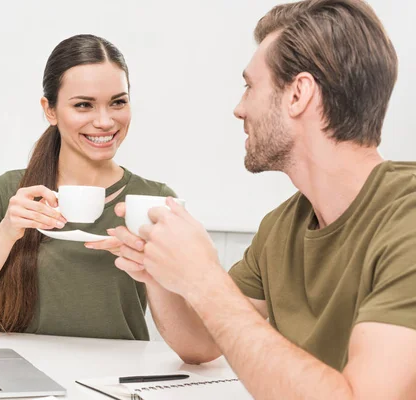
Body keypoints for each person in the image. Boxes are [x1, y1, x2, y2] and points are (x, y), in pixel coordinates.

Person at [96, 0, 416, 398]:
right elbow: (201, 344)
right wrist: (159, 271)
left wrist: (205, 279)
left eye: (250, 86)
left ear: (298, 94)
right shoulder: (284, 226)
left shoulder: (409, 221)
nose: (239, 108)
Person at [0, 34, 176, 340]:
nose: (104, 121)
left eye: (118, 102)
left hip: (114, 379)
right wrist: (8, 231)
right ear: (50, 110)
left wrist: (154, 270)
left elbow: (192, 347)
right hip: (19, 375)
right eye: (83, 105)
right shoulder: (12, 191)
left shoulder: (152, 200)